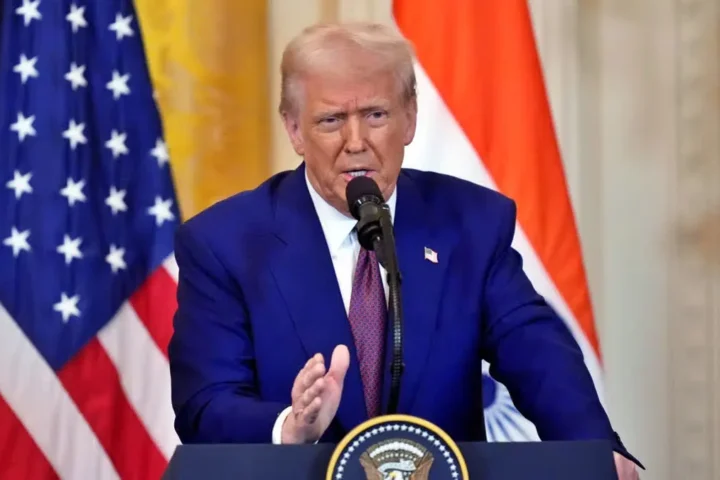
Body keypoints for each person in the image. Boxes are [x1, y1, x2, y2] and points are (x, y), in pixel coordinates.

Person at [168, 21, 642, 478]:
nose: (356, 143)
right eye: (331, 120)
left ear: (410, 118)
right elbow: (204, 405)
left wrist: (597, 452)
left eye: (375, 115)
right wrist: (289, 427)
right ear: (294, 130)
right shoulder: (225, 243)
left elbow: (539, 355)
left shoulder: (470, 223)